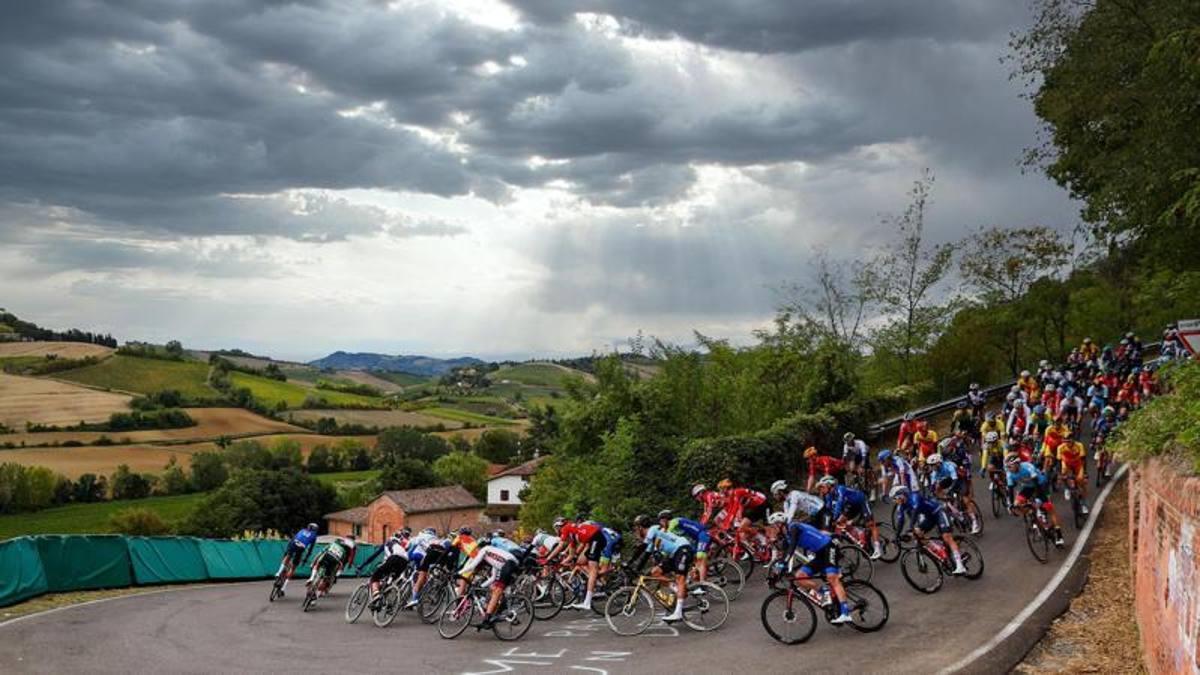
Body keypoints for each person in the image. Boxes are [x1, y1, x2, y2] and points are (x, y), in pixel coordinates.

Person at [767, 511, 854, 624]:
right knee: (800, 576)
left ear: (779, 524)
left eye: (773, 526)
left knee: (832, 578)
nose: (771, 530)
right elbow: (784, 557)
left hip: (829, 547)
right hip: (820, 553)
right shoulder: (786, 537)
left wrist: (783, 565)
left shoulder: (794, 527)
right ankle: (825, 592)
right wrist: (775, 574)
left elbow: (791, 549)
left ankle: (845, 613)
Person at [545, 517, 620, 612]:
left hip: (596, 538)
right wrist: (561, 563)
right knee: (579, 562)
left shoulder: (566, 528)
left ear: (558, 526)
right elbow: (572, 555)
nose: (556, 531)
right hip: (592, 540)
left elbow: (560, 546)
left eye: (555, 529)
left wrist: (548, 558)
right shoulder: (572, 534)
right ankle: (596, 579)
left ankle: (587, 602)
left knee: (593, 570)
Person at [454, 535, 529, 629]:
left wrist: (458, 573)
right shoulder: (493, 556)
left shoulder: (485, 549)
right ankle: (502, 611)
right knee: (495, 590)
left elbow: (472, 566)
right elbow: (493, 577)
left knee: (497, 591)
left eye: (477, 548)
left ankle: (487, 620)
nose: (476, 550)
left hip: (509, 565)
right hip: (511, 566)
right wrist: (481, 586)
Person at [890, 485, 967, 575]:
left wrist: (910, 528)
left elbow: (915, 512)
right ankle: (939, 550)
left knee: (947, 537)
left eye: (895, 498)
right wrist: (896, 537)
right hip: (929, 517)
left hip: (939, 512)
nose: (895, 501)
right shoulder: (901, 506)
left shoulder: (914, 497)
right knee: (917, 534)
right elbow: (900, 522)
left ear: (902, 495)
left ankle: (960, 565)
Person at [630, 514, 693, 622]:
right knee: (655, 572)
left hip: (683, 548)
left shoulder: (653, 529)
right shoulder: (652, 540)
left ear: (641, 527)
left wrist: (629, 561)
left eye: (636, 528)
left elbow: (642, 547)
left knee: (680, 578)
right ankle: (676, 589)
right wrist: (635, 569)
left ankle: (678, 613)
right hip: (674, 554)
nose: (636, 531)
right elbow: (645, 556)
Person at [815, 476, 882, 559]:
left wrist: (834, 518)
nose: (821, 490)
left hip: (861, 501)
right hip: (850, 506)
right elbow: (829, 509)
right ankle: (859, 534)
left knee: (871, 524)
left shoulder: (840, 489)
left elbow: (839, 505)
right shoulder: (828, 495)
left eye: (822, 487)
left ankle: (877, 548)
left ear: (830, 485)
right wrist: (826, 521)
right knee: (840, 523)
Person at [1005, 454, 1065, 547]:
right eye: (1007, 467)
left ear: (1017, 464)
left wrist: (1037, 500)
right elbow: (1010, 489)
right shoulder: (1009, 473)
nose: (1009, 468)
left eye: (1010, 466)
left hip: (1040, 485)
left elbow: (1037, 485)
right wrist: (1011, 504)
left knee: (1048, 507)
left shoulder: (1028, 467)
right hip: (1027, 487)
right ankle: (1031, 514)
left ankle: (1058, 534)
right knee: (1017, 505)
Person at [357, 531, 409, 608]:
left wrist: (362, 566)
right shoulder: (400, 546)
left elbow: (374, 556)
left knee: (375, 577)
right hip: (405, 562)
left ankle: (376, 594)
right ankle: (387, 602)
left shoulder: (388, 543)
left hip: (394, 559)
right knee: (388, 583)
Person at [661, 510, 711, 581]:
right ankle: (700, 579)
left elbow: (666, 534)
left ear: (664, 519)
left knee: (700, 557)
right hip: (696, 539)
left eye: (661, 522)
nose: (661, 524)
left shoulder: (674, 521)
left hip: (702, 534)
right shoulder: (675, 529)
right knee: (694, 562)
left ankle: (703, 585)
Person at [307, 534, 357, 602]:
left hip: (329, 553)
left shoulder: (339, 540)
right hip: (340, 560)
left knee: (318, 562)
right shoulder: (353, 545)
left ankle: (312, 577)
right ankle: (320, 592)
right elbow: (351, 557)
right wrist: (350, 565)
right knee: (330, 576)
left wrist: (313, 562)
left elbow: (326, 549)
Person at [275, 523, 319, 597]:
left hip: (293, 543)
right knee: (293, 567)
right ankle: (283, 588)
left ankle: (278, 572)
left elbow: (293, 539)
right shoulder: (314, 536)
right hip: (301, 547)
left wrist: (287, 552)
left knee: (288, 556)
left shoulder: (302, 530)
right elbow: (310, 549)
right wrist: (306, 558)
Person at [1058, 438, 1089, 514]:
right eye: (1066, 441)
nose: (1068, 443)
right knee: (1063, 472)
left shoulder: (1079, 445)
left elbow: (1083, 459)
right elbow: (1059, 461)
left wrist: (1085, 473)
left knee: (1081, 482)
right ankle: (1066, 488)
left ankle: (1084, 504)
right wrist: (1060, 474)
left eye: (1069, 441)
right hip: (1067, 465)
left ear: (1073, 440)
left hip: (1078, 465)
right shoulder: (1061, 447)